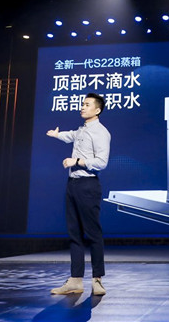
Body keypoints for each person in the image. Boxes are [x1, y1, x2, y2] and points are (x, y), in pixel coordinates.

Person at [46, 93, 111, 296]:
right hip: (73, 184)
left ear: (97, 110)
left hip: (88, 185)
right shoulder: (82, 129)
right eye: (82, 104)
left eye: (87, 104)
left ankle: (97, 279)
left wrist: (77, 161)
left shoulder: (101, 132)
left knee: (93, 233)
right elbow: (72, 135)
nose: (82, 107)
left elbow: (101, 162)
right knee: (74, 233)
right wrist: (57, 135)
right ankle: (75, 280)